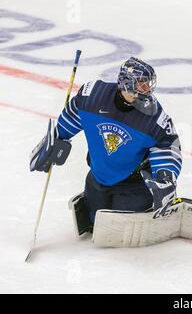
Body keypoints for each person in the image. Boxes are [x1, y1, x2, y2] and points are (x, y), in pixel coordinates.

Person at [30, 57, 182, 236]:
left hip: (134, 184)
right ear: (126, 83)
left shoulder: (154, 117)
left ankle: (146, 205)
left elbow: (167, 144)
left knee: (120, 225)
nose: (147, 89)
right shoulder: (93, 96)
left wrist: (164, 177)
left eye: (148, 84)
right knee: (95, 219)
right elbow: (75, 112)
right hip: (98, 178)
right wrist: (55, 140)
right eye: (142, 84)